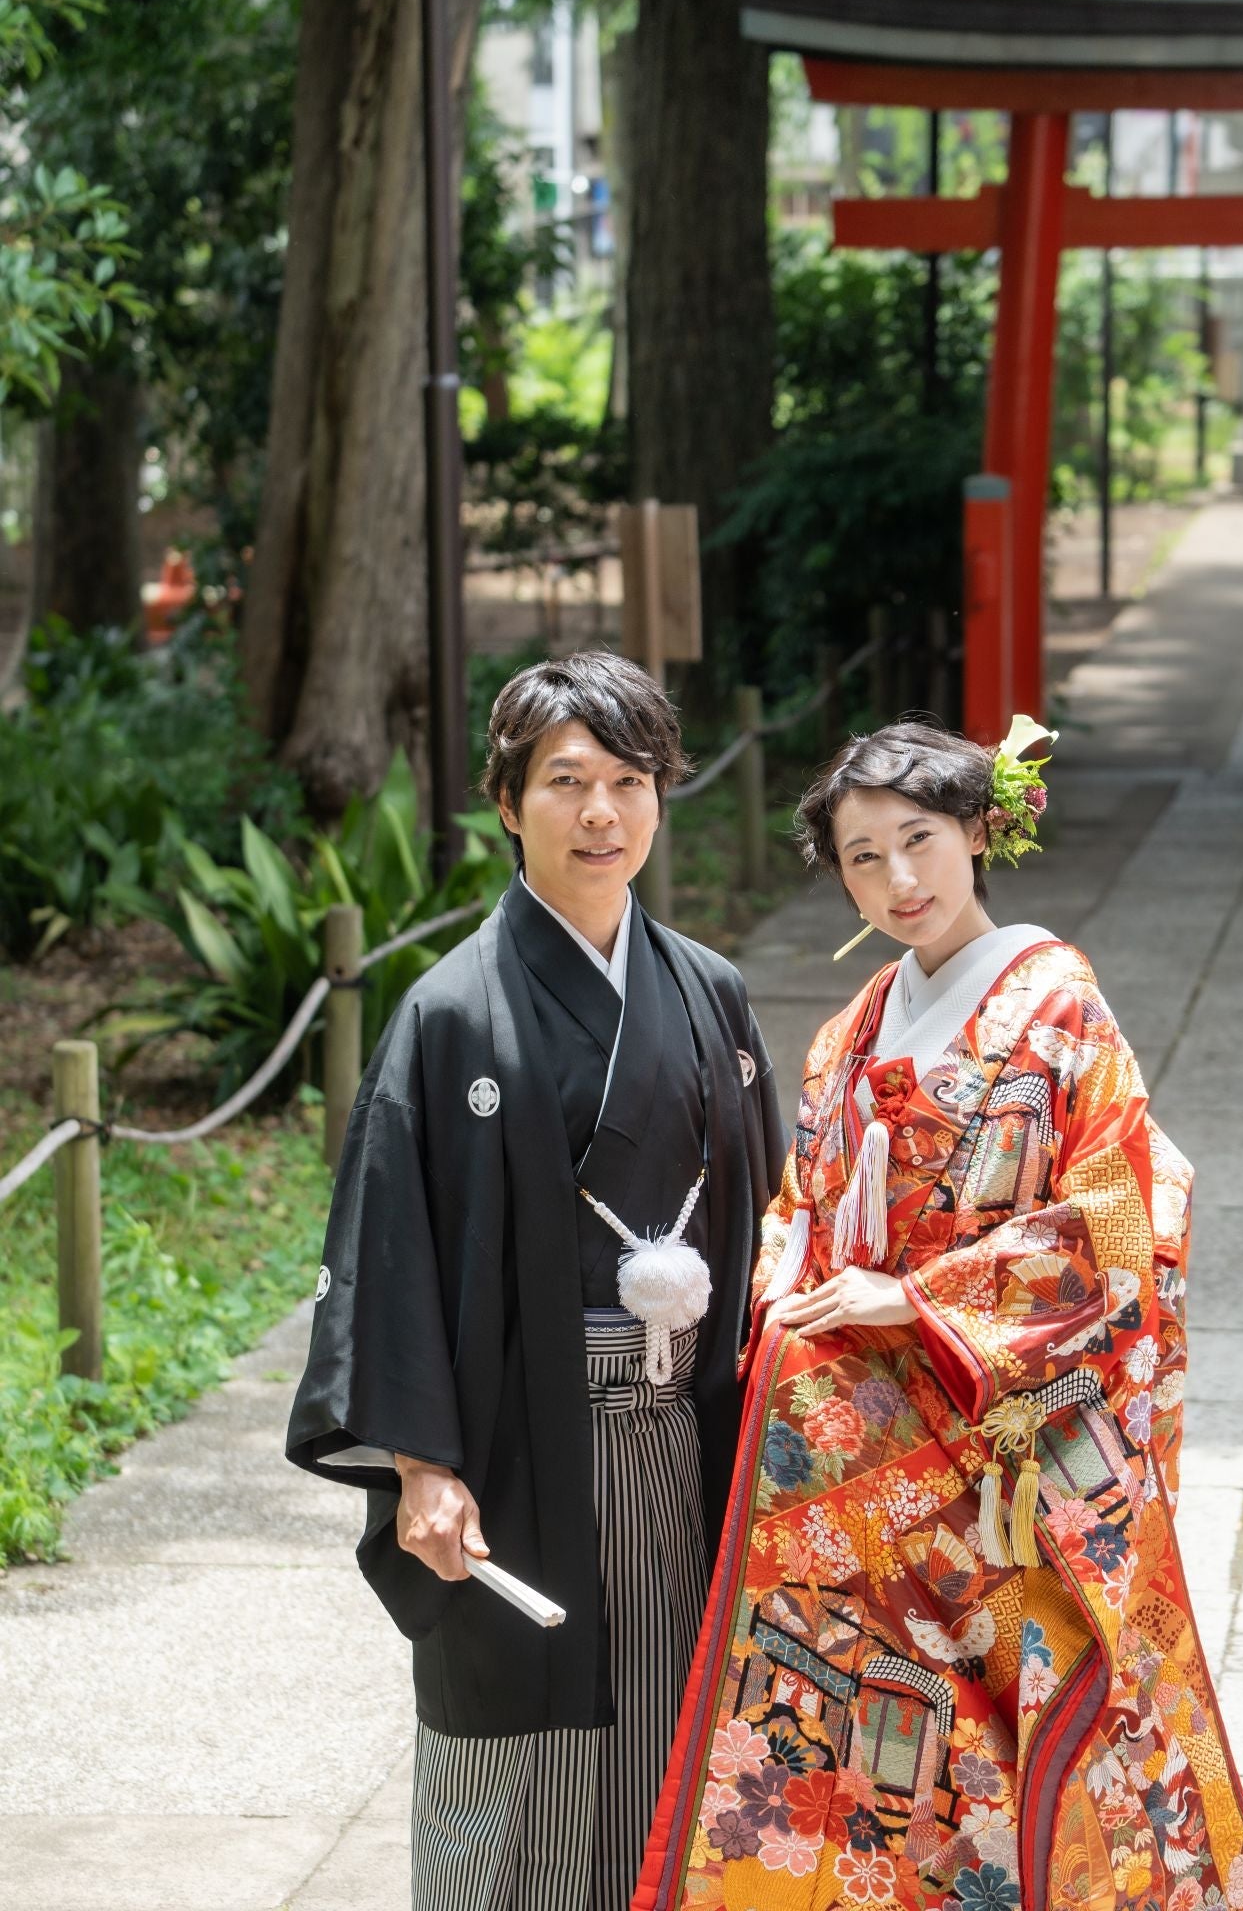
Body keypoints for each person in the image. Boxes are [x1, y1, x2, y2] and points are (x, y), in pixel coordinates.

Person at [634, 716, 1243, 1911]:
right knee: (861, 1729)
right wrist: (784, 1277)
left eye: (919, 841)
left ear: (983, 831)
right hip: (865, 1455)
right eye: (862, 856)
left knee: (1024, 1720)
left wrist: (921, 1297)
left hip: (1002, 1446)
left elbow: (1120, 1215)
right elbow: (799, 1203)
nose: (897, 879)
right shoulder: (848, 1031)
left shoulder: (1057, 1007)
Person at [286, 651, 786, 1911]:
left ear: (662, 794)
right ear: (507, 801)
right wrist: (418, 1462)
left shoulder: (707, 991)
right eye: (566, 780)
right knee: (511, 1745)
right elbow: (386, 1250)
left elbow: (775, 1224)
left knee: (682, 1730)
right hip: (519, 1442)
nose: (601, 812)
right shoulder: (453, 1013)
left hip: (685, 1431)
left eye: (628, 779)